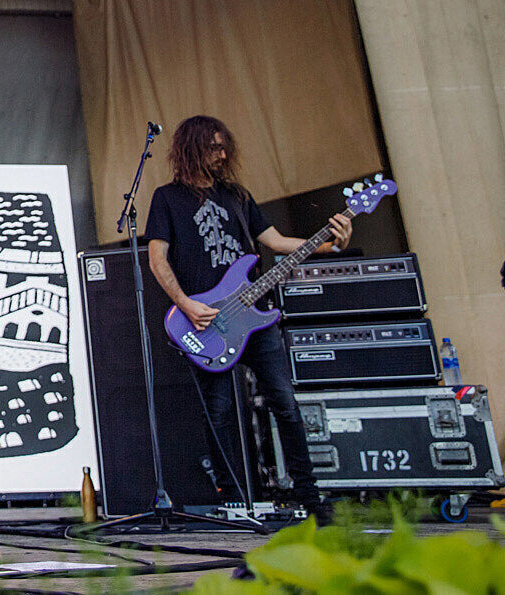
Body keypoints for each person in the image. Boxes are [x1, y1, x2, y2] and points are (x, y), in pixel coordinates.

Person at [144, 115, 351, 520]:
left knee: (285, 403)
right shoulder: (167, 198)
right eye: (213, 147)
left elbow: (273, 243)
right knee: (218, 411)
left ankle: (310, 498)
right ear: (191, 148)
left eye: (225, 148)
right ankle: (232, 496)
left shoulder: (237, 196)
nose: (222, 155)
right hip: (206, 322)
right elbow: (156, 258)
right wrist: (186, 303)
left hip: (254, 318)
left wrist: (328, 244)